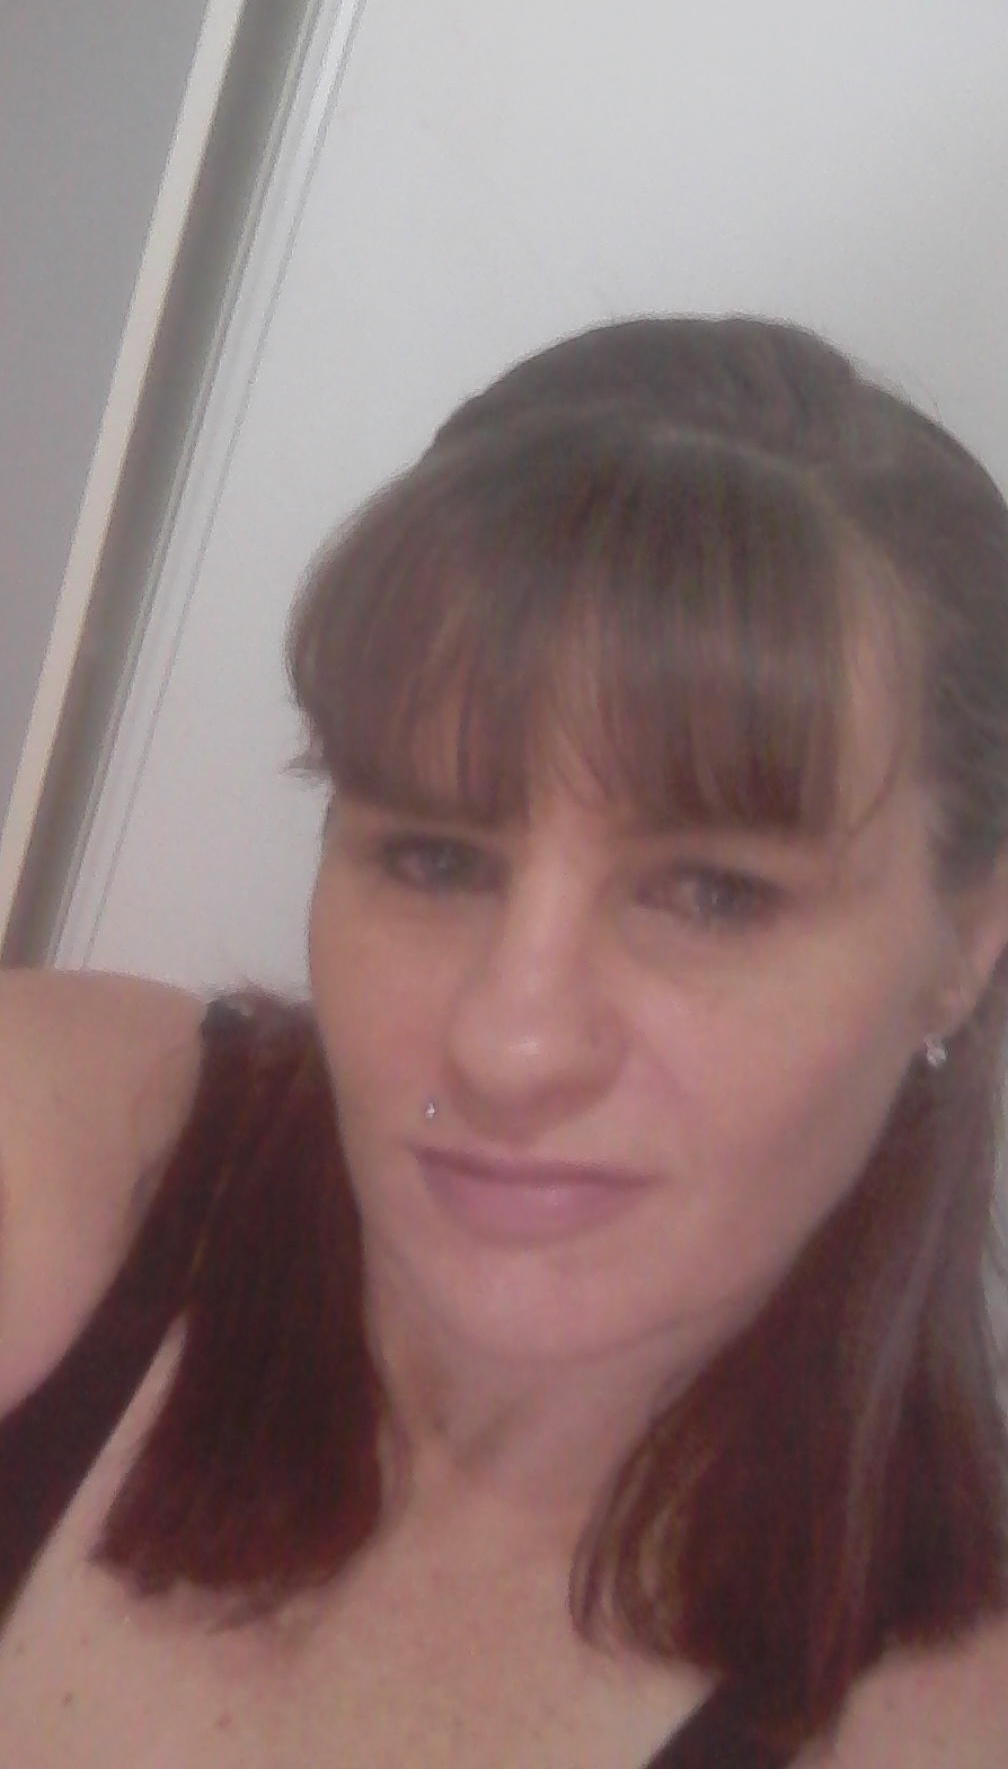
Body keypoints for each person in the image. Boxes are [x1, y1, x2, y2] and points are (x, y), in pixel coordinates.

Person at [1, 314, 1007, 1768]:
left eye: (712, 894)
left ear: (966, 949)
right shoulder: (64, 1159)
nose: (509, 1046)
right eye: (435, 859)